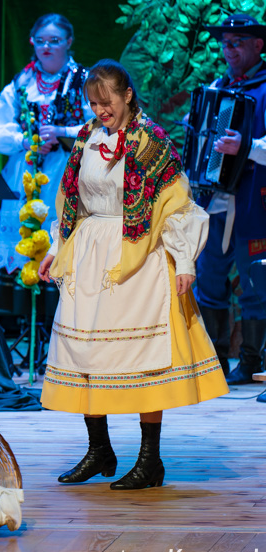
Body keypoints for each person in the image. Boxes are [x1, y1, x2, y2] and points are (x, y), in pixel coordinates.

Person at [38, 60, 228, 490]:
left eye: (107, 102)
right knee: (87, 354)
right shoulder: (87, 138)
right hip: (90, 253)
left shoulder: (153, 143)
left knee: (142, 359)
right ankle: (99, 448)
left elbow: (178, 207)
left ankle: (150, 460)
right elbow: (71, 200)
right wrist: (57, 247)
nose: (100, 111)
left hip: (138, 257)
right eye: (93, 103)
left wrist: (184, 261)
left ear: (127, 96)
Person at [0, 13, 92, 275]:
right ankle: (22, 304)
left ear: (69, 42)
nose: (46, 47)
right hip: (25, 170)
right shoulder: (22, 82)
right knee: (23, 233)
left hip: (67, 171)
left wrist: (62, 132)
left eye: (54, 40)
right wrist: (24, 140)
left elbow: (103, 125)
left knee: (60, 232)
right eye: (40, 40)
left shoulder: (84, 81)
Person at [192, 14, 266, 384]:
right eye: (225, 43)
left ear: (258, 46)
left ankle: (251, 362)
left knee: (254, 280)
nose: (229, 49)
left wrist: (247, 146)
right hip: (217, 197)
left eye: (237, 42)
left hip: (254, 198)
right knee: (208, 277)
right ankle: (214, 362)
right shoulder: (218, 87)